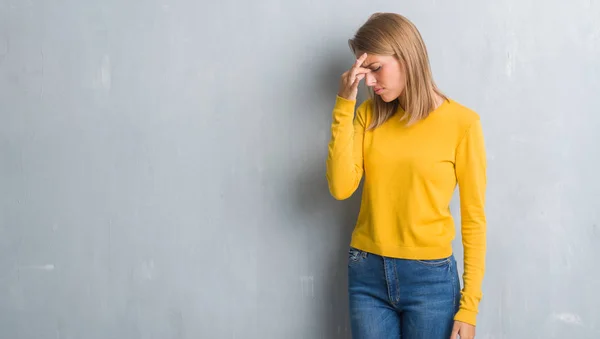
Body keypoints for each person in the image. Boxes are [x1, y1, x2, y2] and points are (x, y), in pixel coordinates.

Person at [326, 13, 487, 339]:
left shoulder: (462, 124)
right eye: (364, 71)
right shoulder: (368, 115)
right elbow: (341, 187)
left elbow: (474, 221)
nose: (369, 81)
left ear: (407, 56)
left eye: (376, 68)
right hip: (366, 273)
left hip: (430, 281)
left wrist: (469, 309)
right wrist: (345, 103)